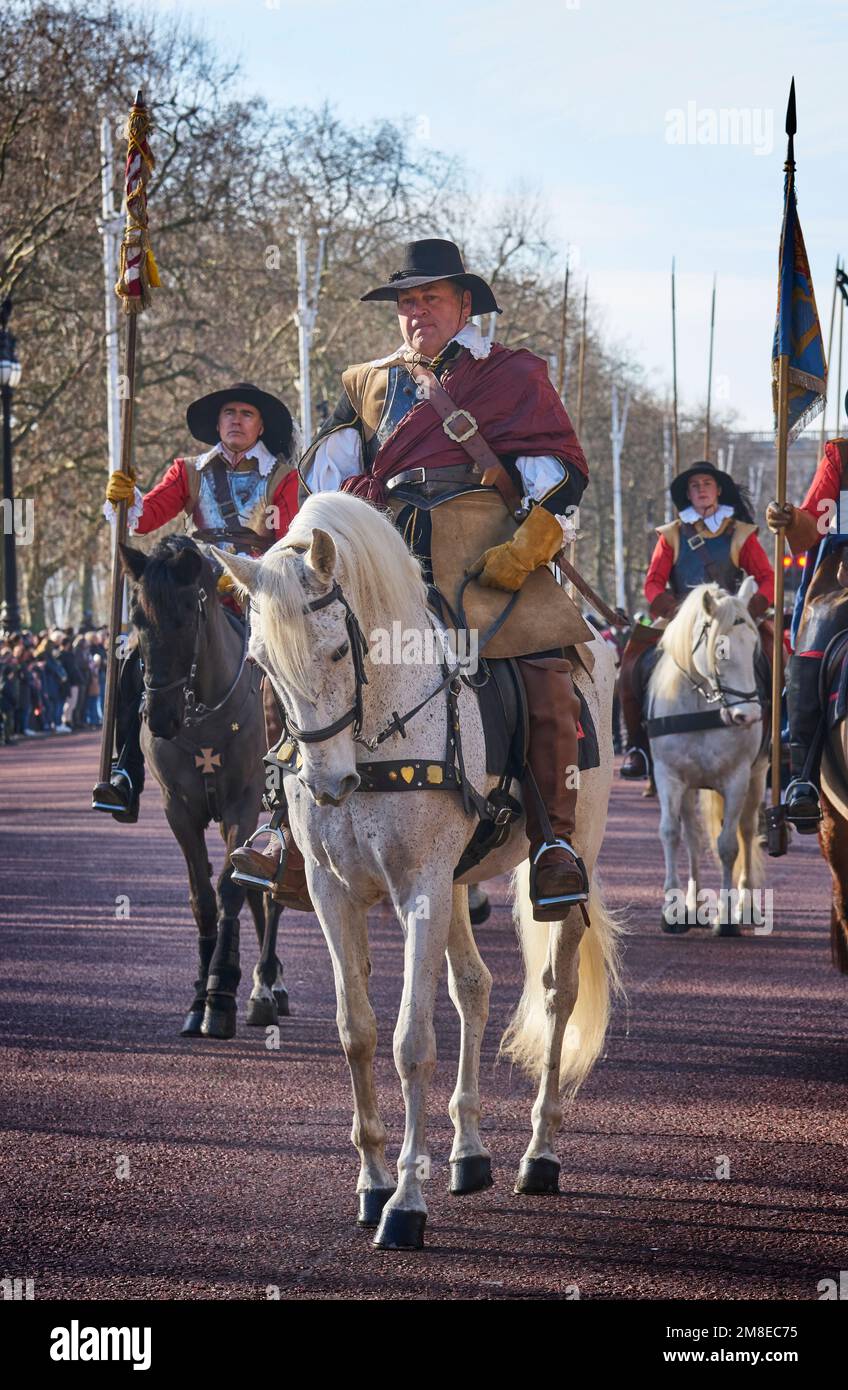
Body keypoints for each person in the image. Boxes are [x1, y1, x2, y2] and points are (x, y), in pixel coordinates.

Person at [234, 238, 592, 921]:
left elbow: (557, 477)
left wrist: (523, 551)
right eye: (406, 301)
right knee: (301, 652)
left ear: (464, 304)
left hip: (485, 546)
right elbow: (323, 482)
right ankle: (280, 823)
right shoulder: (365, 381)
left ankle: (553, 846)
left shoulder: (513, 373)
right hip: (380, 549)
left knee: (542, 664)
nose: (416, 311)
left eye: (431, 298)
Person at [93, 383, 298, 822]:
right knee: (132, 658)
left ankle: (295, 778)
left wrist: (248, 571)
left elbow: (293, 540)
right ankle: (126, 772)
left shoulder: (282, 477)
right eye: (229, 413)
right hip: (192, 589)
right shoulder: (188, 472)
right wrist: (124, 498)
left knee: (298, 667)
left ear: (260, 426)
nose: (237, 420)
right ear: (217, 423)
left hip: (257, 592)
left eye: (246, 413)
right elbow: (144, 519)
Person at [619, 461, 774, 779]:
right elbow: (653, 583)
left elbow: (767, 577)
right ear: (688, 494)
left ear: (718, 490)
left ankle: (772, 741)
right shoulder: (672, 534)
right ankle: (638, 747)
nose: (701, 489)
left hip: (732, 620)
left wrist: (749, 609)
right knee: (632, 663)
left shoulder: (741, 534)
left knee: (774, 655)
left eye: (707, 483)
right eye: (695, 485)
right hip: (680, 620)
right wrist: (675, 611)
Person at [766, 425, 848, 828]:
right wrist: (791, 518)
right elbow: (815, 517)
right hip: (846, 577)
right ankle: (803, 777)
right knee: (817, 631)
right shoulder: (841, 455)